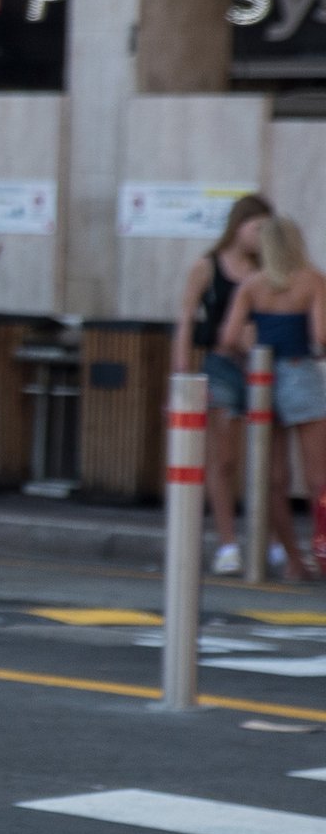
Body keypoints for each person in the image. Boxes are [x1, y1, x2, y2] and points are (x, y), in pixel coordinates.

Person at [220, 216, 326, 583]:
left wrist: (252, 358)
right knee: (319, 478)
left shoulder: (252, 284)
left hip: (263, 378)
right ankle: (322, 550)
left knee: (274, 478)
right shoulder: (313, 280)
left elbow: (230, 337)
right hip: (301, 371)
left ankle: (294, 561)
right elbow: (322, 335)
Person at [174, 195, 275, 575]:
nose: (262, 237)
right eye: (257, 228)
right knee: (224, 457)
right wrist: (182, 372)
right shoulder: (208, 266)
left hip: (260, 365)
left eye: (268, 230)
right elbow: (185, 318)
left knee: (268, 460)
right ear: (238, 226)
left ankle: (270, 540)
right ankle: (228, 542)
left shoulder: (266, 268)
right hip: (220, 363)